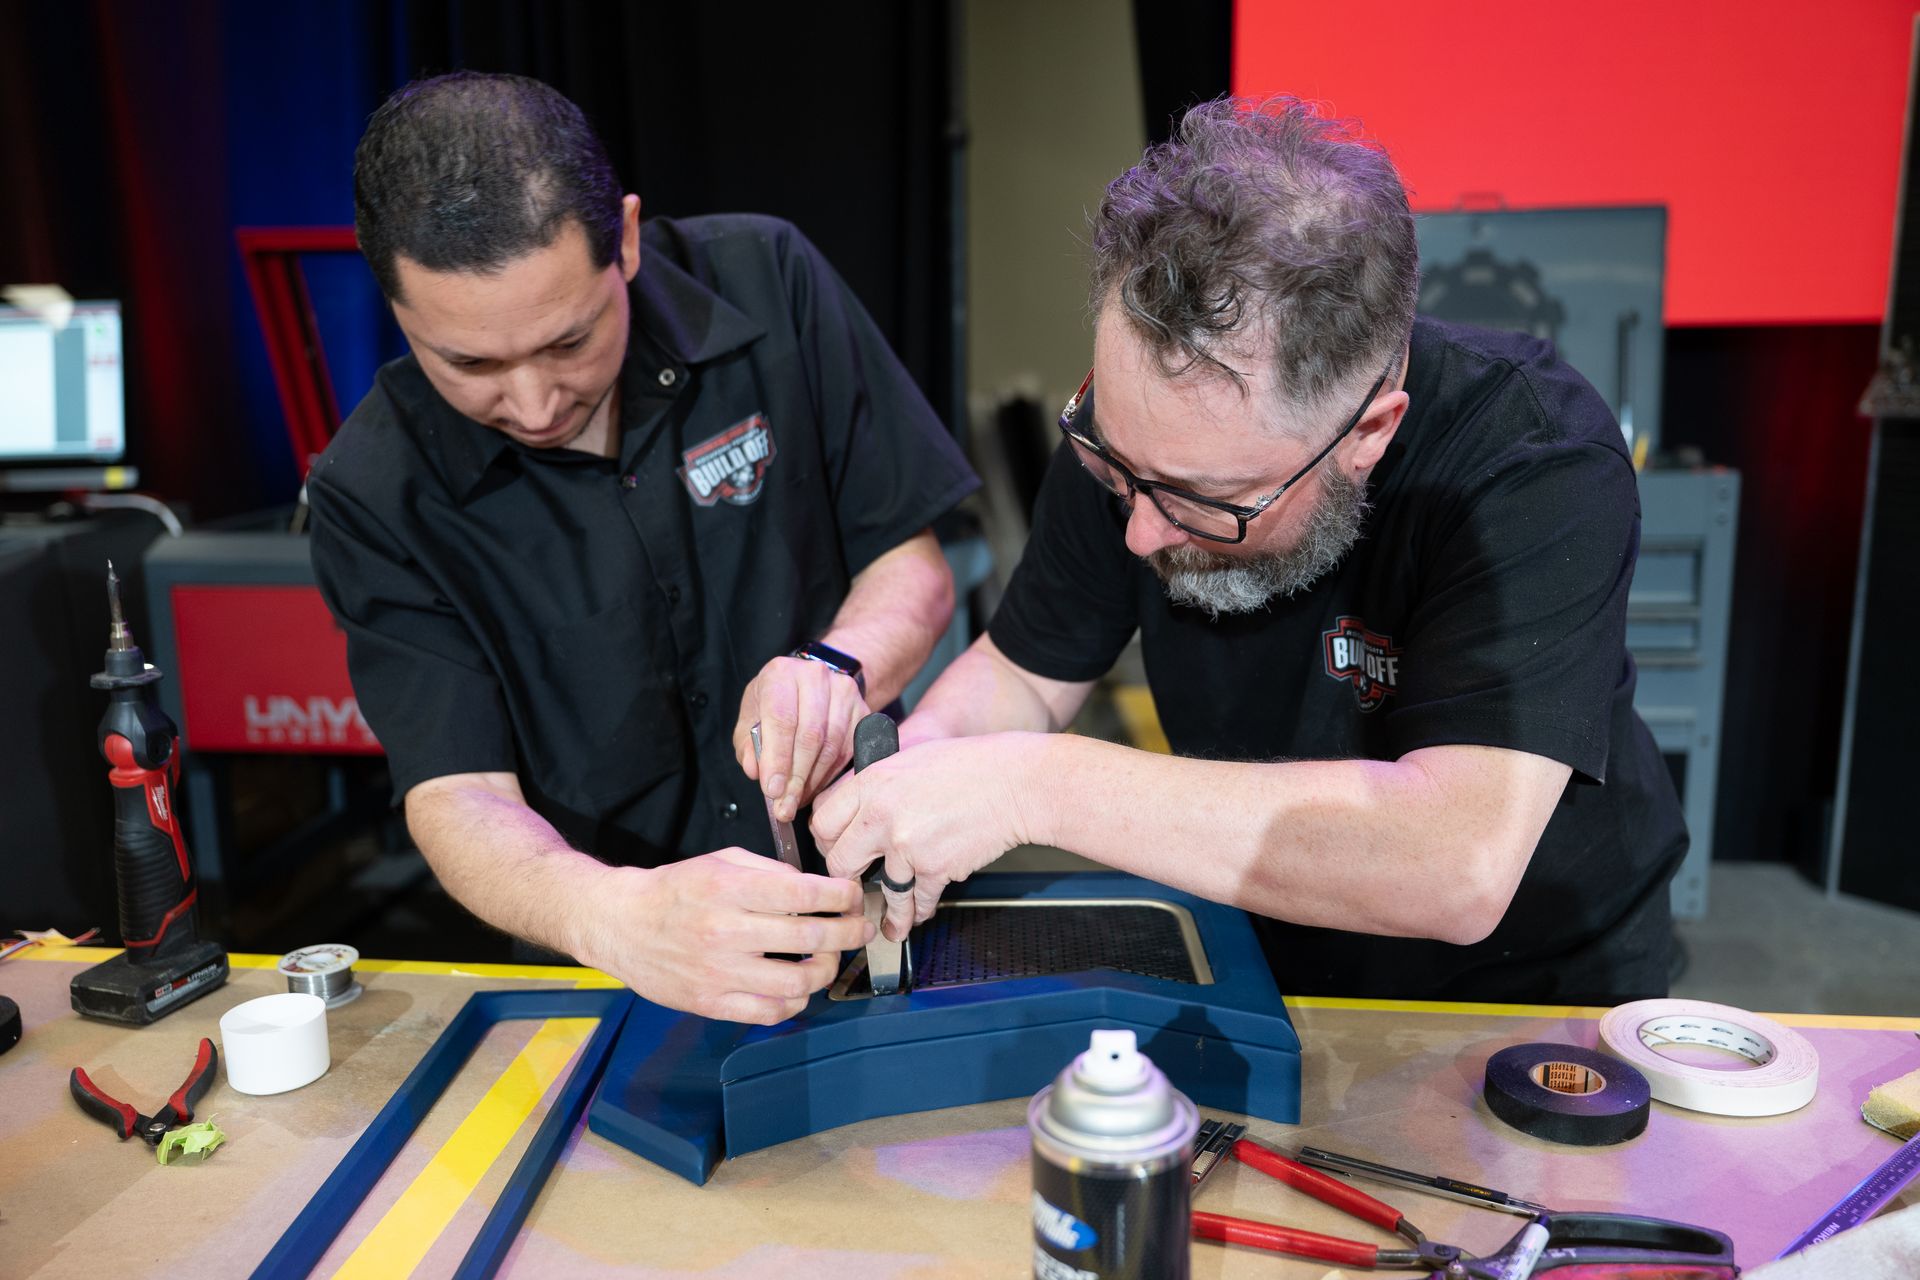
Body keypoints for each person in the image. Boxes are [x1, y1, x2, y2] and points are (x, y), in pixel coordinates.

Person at [816, 97, 1687, 1004]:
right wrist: (909, 779)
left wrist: (1031, 786)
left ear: (1368, 433)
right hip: (1256, 941)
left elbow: (1455, 863)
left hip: (1519, 989)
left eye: (1204, 502)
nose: (1141, 531)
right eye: (1117, 467)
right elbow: (1029, 678)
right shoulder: (1141, 446)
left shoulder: (1531, 459)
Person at [308, 72, 978, 1024]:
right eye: (470, 364)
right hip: (609, 960)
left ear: (621, 238)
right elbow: (457, 793)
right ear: (394, 302)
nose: (535, 404)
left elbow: (909, 567)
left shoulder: (768, 280)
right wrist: (616, 917)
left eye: (570, 341)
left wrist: (836, 666)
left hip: (867, 907)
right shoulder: (374, 491)